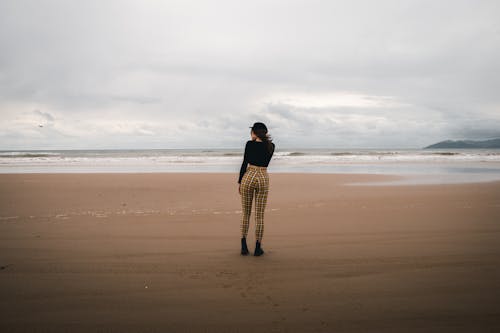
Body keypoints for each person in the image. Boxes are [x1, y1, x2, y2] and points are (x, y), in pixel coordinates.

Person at [237, 122, 275, 256]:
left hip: (249, 175)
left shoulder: (249, 144)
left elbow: (245, 162)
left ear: (254, 132)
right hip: (263, 177)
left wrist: (240, 182)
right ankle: (258, 248)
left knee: (246, 213)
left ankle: (243, 246)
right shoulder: (271, 146)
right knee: (259, 215)